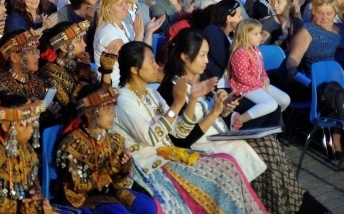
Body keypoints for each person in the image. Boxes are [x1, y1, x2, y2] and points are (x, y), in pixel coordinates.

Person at [157, 29, 313, 214]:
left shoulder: (203, 77)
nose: (207, 61)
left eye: (207, 54)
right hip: (205, 146)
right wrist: (215, 111)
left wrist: (224, 107)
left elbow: (214, 113)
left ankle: (294, 203)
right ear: (184, 56)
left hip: (221, 135)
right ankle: (288, 206)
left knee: (270, 145)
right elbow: (184, 138)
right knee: (266, 153)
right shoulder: (171, 89)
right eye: (202, 55)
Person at [112, 41, 268, 214]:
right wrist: (177, 105)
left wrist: (192, 99)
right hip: (148, 166)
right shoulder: (123, 99)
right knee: (220, 171)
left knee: (227, 163)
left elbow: (179, 131)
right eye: (151, 62)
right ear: (134, 69)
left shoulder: (151, 93)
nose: (157, 66)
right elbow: (151, 137)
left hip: (169, 156)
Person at [57, 84, 156, 213]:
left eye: (112, 108)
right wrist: (111, 169)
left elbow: (119, 179)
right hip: (86, 197)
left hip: (112, 190)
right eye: (107, 109)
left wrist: (123, 165)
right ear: (90, 113)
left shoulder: (114, 140)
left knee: (147, 206)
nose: (112, 114)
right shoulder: (72, 145)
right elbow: (79, 185)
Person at [0, 95, 54, 214]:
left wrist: (36, 195)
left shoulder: (27, 151)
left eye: (33, 124)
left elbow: (33, 185)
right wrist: (32, 208)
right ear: (6, 126)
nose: (31, 130)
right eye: (26, 124)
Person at [94, 0, 164, 86]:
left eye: (126, 3)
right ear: (108, 8)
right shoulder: (107, 31)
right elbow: (132, 60)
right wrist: (139, 35)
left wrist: (148, 32)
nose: (125, 8)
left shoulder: (127, 26)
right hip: (117, 84)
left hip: (133, 80)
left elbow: (144, 52)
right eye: (120, 4)